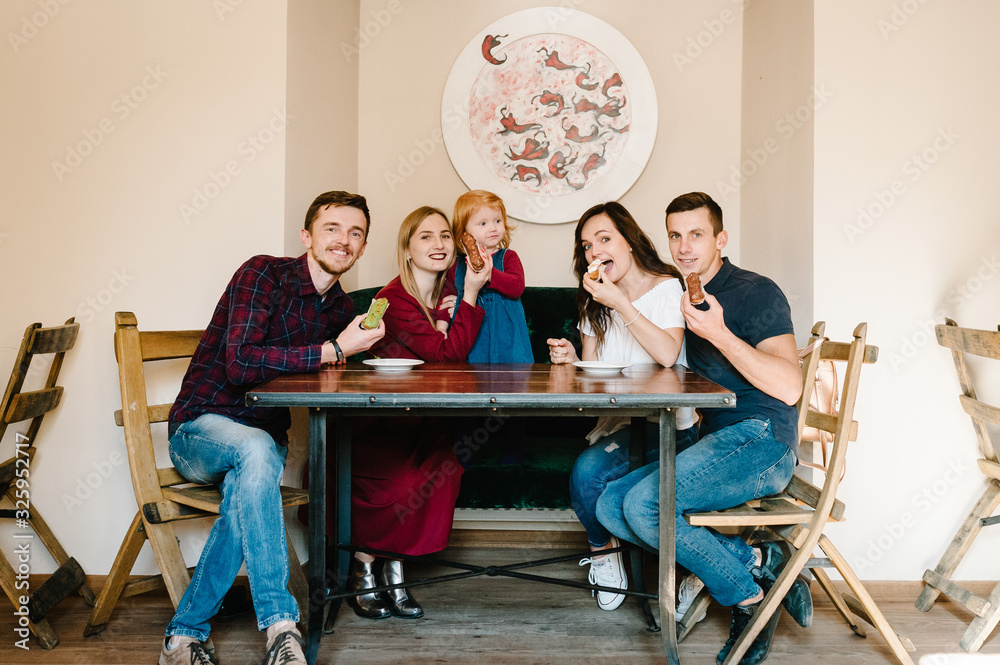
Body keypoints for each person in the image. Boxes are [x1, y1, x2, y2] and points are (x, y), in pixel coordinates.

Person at [161, 191, 384, 665]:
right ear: (307, 236)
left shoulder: (341, 311)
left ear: (362, 248)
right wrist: (333, 351)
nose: (343, 240)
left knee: (254, 469)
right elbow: (240, 364)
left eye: (355, 233)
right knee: (258, 449)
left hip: (260, 447)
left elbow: (331, 377)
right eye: (332, 228)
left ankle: (182, 637)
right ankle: (282, 628)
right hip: (199, 429)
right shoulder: (262, 273)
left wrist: (360, 350)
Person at [595, 192, 812, 665]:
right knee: (610, 504)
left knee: (644, 505)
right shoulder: (681, 295)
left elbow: (790, 387)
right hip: (715, 441)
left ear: (720, 239)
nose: (685, 246)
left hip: (763, 442)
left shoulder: (755, 291)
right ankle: (759, 563)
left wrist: (719, 334)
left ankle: (748, 601)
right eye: (675, 235)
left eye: (696, 234)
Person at [342, 206, 490, 621]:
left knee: (445, 467)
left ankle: (394, 566)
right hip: (378, 426)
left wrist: (453, 311)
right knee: (406, 480)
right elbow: (446, 356)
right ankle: (367, 566)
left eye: (445, 235)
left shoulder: (443, 299)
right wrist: (472, 296)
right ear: (407, 249)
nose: (439, 244)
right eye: (425, 236)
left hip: (423, 423)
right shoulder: (392, 299)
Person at [546, 201, 695, 612]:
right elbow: (593, 372)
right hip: (618, 425)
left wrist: (620, 303)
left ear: (629, 242)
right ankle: (605, 555)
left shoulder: (666, 287)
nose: (594, 251)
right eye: (587, 245)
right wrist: (571, 360)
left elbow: (667, 355)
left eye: (605, 239)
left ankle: (673, 566)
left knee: (588, 474)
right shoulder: (593, 299)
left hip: (669, 427)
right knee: (587, 476)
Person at [448, 190, 533, 363]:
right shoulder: (457, 265)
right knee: (473, 377)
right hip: (474, 334)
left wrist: (489, 274)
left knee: (514, 378)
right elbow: (447, 295)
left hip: (508, 336)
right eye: (483, 223)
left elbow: (517, 287)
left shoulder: (508, 257)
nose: (493, 227)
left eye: (497, 221)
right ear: (464, 232)